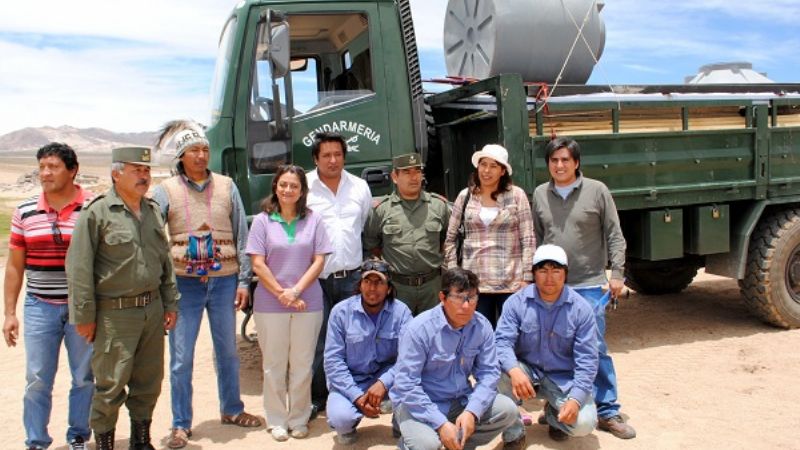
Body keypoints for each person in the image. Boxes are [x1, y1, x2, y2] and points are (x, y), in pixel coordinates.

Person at [150, 121, 260, 449]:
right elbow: (155, 239)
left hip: (224, 282)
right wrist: (162, 287)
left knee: (227, 351)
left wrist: (243, 281)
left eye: (204, 150)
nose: (200, 155)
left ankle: (232, 409)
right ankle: (180, 424)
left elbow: (242, 234)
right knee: (181, 357)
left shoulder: (227, 186)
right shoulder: (165, 191)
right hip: (185, 286)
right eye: (193, 150)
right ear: (181, 156)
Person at [66, 147, 179, 450]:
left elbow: (164, 262)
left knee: (148, 382)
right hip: (113, 314)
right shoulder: (97, 212)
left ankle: (141, 442)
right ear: (116, 174)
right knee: (110, 385)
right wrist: (84, 316)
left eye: (146, 170)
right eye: (136, 170)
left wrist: (170, 303)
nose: (144, 176)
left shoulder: (153, 210)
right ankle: (105, 444)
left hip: (152, 311)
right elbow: (79, 267)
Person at [532, 136, 635, 439]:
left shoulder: (597, 191)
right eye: (554, 160)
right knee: (553, 349)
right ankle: (558, 410)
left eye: (565, 159)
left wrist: (617, 273)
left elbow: (615, 234)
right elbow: (537, 240)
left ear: (576, 163)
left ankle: (607, 411)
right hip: (551, 287)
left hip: (590, 284)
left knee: (595, 348)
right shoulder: (539, 194)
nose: (559, 165)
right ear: (548, 164)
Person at [3, 143, 93, 450]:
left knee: (84, 377)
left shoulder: (93, 208)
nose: (45, 173)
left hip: (82, 308)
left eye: (53, 167)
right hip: (39, 306)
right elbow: (15, 265)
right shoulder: (25, 211)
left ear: (73, 170)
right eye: (42, 166)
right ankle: (37, 442)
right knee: (38, 379)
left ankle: (78, 436)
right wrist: (10, 312)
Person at [245, 165, 332, 442]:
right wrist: (282, 293)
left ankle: (298, 418)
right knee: (273, 364)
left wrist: (295, 291)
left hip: (308, 302)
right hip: (270, 305)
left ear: (302, 191)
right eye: (283, 184)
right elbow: (257, 263)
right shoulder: (262, 221)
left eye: (294, 186)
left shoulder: (314, 220)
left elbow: (319, 260)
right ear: (275, 187)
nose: (288, 190)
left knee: (303, 363)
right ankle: (276, 419)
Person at [391, 267, 518, 450]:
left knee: (507, 410)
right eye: (459, 298)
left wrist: (472, 412)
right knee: (426, 445)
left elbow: (489, 374)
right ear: (442, 298)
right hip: (420, 403)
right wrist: (440, 424)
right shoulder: (419, 329)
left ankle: (458, 443)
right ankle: (414, 442)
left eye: (471, 298)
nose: (466, 306)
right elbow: (406, 384)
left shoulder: (482, 326)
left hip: (460, 400)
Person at [496, 244, 599, 444]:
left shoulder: (581, 309)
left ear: (566, 274)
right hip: (527, 373)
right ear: (534, 273)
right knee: (494, 369)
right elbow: (501, 343)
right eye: (543, 270)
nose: (549, 277)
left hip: (563, 380)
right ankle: (514, 431)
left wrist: (576, 400)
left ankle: (553, 414)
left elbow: (588, 361)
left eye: (556, 271)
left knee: (584, 424)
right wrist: (515, 371)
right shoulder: (515, 303)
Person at [305, 132, 372, 415]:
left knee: (357, 338)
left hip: (353, 278)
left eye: (338, 154)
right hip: (316, 280)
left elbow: (366, 226)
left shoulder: (359, 187)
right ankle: (318, 397)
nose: (333, 160)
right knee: (318, 341)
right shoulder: (304, 187)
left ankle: (360, 393)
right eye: (326, 155)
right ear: (316, 159)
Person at [444, 144, 536, 328]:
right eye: (483, 164)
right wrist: (455, 275)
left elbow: (528, 238)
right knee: (478, 336)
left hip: (511, 283)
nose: (487, 171)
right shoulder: (465, 197)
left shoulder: (517, 196)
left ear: (503, 171)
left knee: (509, 336)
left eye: (493, 166)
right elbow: (450, 239)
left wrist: (527, 278)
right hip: (474, 284)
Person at [324, 258, 412, 444]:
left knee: (414, 388)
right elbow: (333, 362)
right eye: (367, 281)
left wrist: (383, 383)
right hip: (352, 379)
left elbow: (408, 358)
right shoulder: (340, 312)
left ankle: (401, 424)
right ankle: (349, 424)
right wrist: (356, 396)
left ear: (388, 288)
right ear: (360, 285)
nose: (372, 288)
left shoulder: (402, 312)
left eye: (379, 282)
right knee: (341, 418)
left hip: (389, 381)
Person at [364, 153, 450, 315]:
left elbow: (446, 240)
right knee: (397, 334)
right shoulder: (381, 210)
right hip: (398, 286)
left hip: (431, 286)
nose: (414, 177)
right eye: (407, 172)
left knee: (432, 333)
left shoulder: (438, 206)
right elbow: (372, 244)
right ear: (395, 177)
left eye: (417, 171)